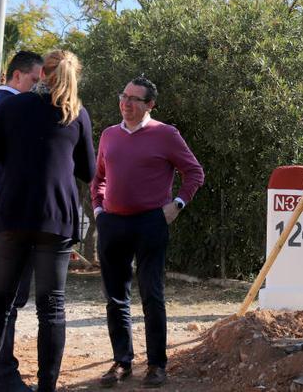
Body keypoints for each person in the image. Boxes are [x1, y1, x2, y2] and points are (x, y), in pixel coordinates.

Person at [0, 50, 96, 392]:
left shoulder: (12, 107)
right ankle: (46, 388)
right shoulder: (77, 114)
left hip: (13, 211)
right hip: (56, 216)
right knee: (51, 306)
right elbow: (89, 170)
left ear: (42, 73)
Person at [91, 76, 204, 388]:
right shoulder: (109, 135)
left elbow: (194, 172)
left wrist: (177, 204)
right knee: (115, 298)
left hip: (150, 224)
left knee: (152, 295)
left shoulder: (165, 134)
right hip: (112, 223)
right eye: (124, 96)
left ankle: (156, 365)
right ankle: (121, 362)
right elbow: (98, 177)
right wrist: (98, 209)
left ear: (150, 105)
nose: (126, 103)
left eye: (135, 99)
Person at [0, 50, 43, 392]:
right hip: (7, 206)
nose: (37, 87)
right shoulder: (7, 106)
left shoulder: (3, 105)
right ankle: (1, 375)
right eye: (34, 80)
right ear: (17, 76)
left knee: (7, 298)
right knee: (6, 297)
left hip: (3, 204)